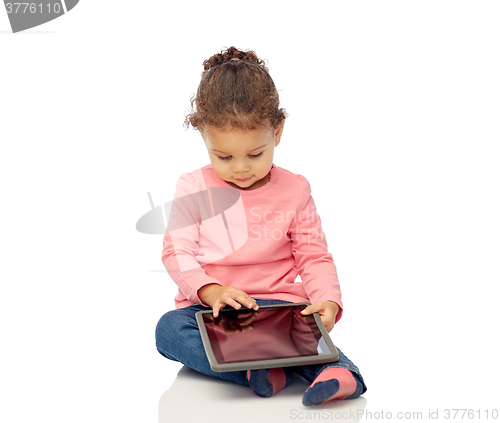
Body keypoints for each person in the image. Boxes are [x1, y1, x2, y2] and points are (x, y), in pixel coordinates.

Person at [155, 46, 367, 406]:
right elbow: (177, 252)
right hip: (214, 312)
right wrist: (211, 291)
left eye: (255, 154)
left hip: (280, 308)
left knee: (307, 333)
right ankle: (257, 369)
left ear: (278, 132)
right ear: (204, 137)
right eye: (223, 156)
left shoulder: (295, 188)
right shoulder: (193, 186)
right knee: (169, 330)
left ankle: (341, 374)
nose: (240, 168)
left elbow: (313, 256)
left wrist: (327, 299)